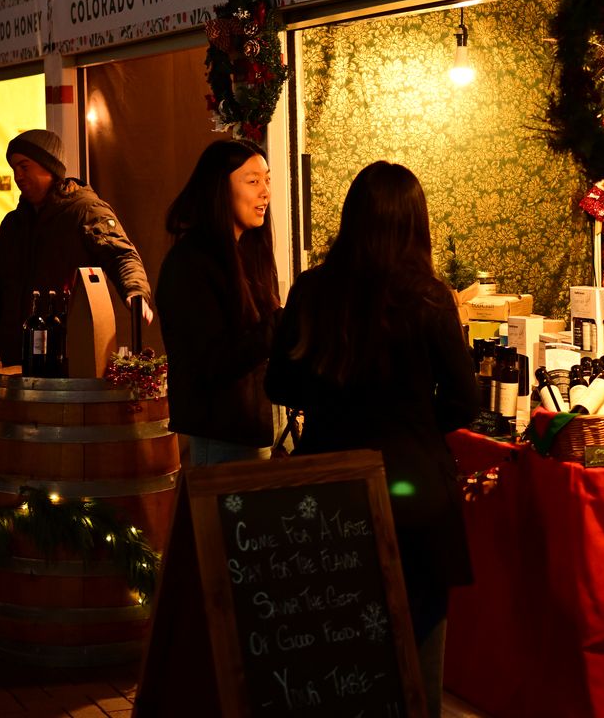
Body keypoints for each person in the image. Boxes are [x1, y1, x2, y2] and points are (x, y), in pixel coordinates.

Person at [265, 161, 479, 712]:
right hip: (415, 493)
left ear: (352, 218)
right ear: (415, 224)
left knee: (339, 645)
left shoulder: (313, 290)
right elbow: (465, 399)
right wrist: (413, 419)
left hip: (332, 487)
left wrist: (332, 400)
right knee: (420, 651)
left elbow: (278, 383)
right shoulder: (430, 299)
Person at [157, 139, 280, 465]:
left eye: (267, 180)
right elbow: (210, 361)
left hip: (250, 430)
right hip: (220, 434)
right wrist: (280, 325)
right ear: (219, 189)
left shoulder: (249, 253)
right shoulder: (190, 262)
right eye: (253, 181)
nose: (265, 192)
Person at [0, 129, 152, 366]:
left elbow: (121, 255)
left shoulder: (85, 211)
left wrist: (135, 291)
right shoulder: (13, 223)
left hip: (68, 354)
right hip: (14, 357)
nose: (17, 176)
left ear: (49, 167)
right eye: (14, 168)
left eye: (24, 166)